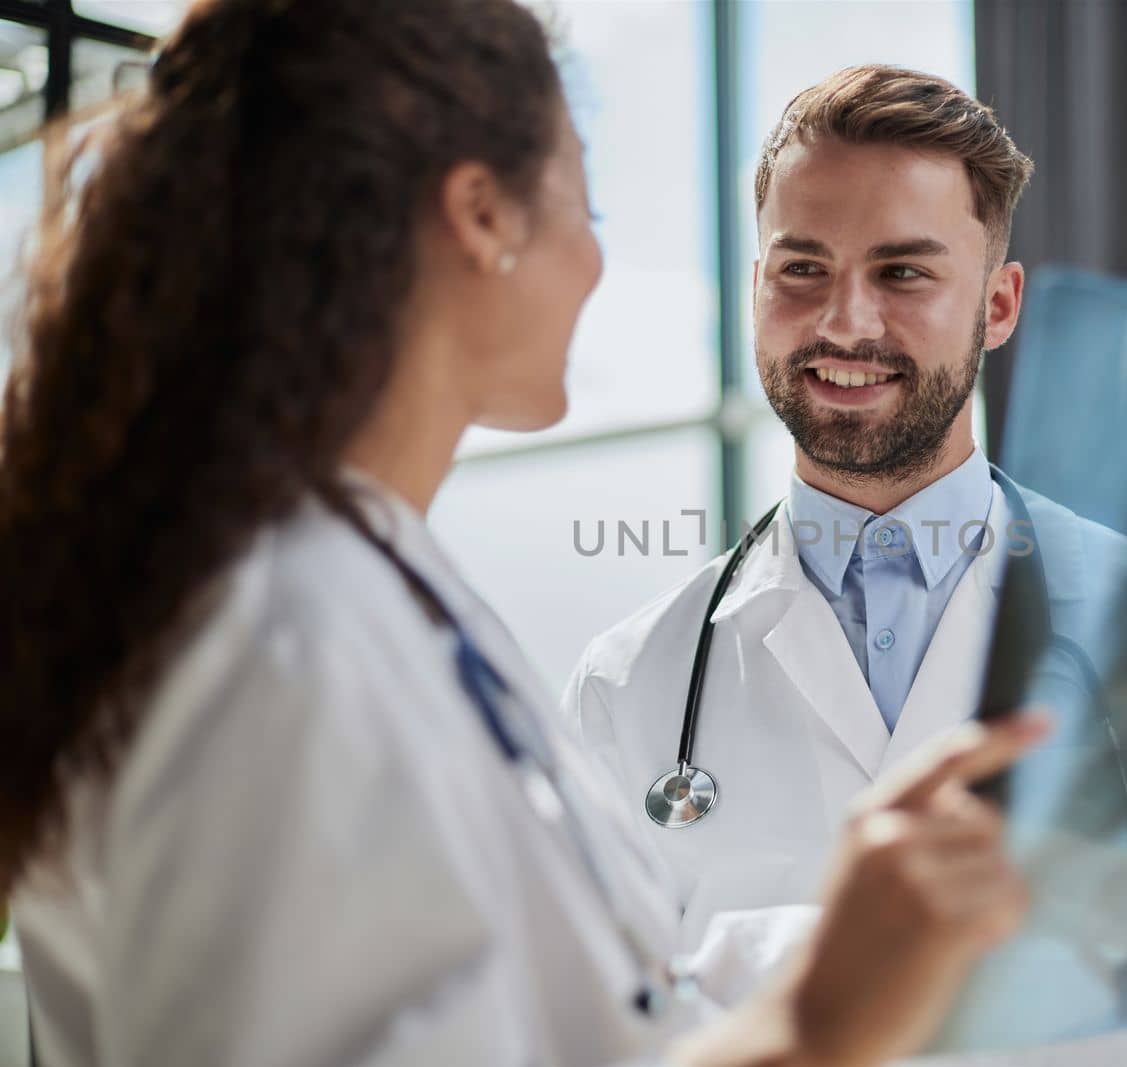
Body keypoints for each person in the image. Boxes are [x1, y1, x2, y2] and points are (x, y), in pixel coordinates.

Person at [0, 5, 1054, 1065]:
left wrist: (860, 942)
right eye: (584, 202)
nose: (597, 259)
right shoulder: (280, 632)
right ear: (481, 216)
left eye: (904, 272)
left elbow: (598, 1012)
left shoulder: (371, 596)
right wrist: (815, 1022)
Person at [563, 66, 1127, 1065]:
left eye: (903, 271)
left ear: (998, 305)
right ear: (755, 289)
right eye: (801, 268)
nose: (846, 322)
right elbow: (589, 1034)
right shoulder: (630, 682)